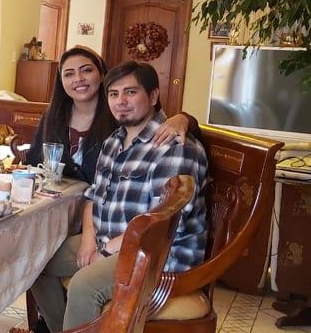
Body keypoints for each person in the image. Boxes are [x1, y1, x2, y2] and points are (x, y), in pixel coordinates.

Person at [27, 61, 208, 331]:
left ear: (153, 96)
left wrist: (105, 250)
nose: (120, 101)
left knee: (85, 285)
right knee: (34, 262)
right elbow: (93, 198)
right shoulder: (114, 141)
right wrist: (89, 239)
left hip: (156, 256)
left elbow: (163, 225)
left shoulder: (173, 146)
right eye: (114, 94)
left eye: (130, 92)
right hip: (111, 241)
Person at [25, 46, 196, 184]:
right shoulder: (54, 116)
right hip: (63, 205)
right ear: (61, 81)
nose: (78, 78)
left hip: (99, 208)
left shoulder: (121, 113)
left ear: (101, 75)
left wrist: (184, 118)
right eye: (69, 74)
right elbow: (33, 162)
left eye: (86, 70)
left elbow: (165, 128)